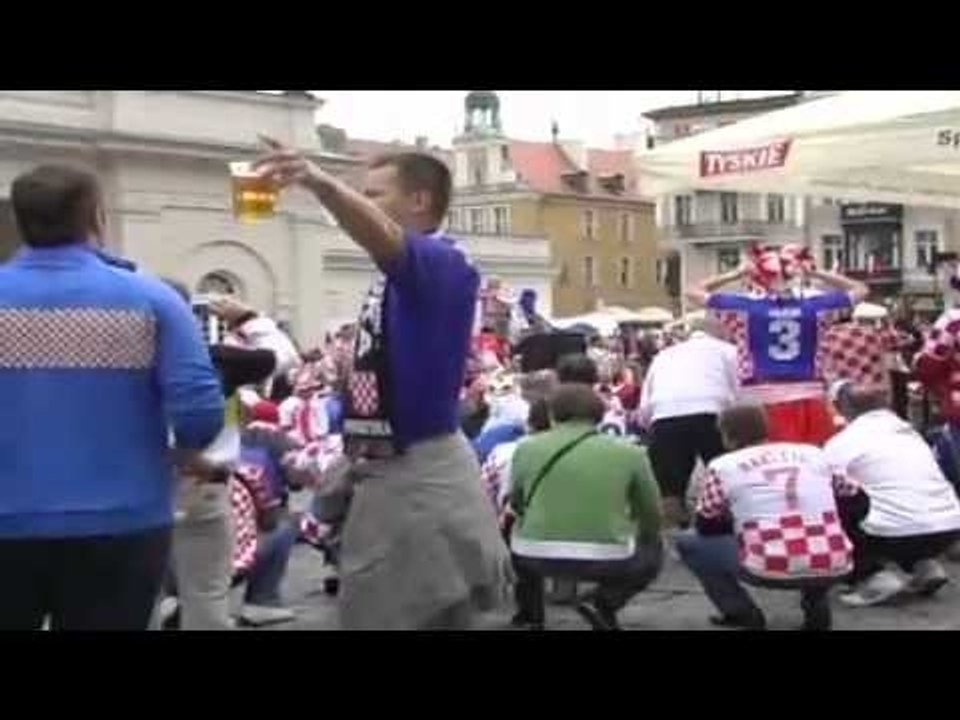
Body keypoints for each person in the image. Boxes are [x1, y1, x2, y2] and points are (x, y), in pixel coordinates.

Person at [255, 139, 510, 630]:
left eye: (376, 195)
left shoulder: (440, 262)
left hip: (418, 471)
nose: (365, 205)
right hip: (396, 465)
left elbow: (383, 238)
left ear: (418, 201)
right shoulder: (402, 276)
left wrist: (321, 183)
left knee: (402, 609)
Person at [0, 164, 225, 630]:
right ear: (96, 219)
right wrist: (184, 451)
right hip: (123, 520)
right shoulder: (152, 299)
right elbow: (199, 408)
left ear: (20, 222)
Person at [158, 288, 299, 631]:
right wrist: (247, 319)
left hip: (138, 486)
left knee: (137, 593)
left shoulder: (116, 361)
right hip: (202, 485)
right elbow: (283, 355)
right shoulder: (216, 359)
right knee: (206, 593)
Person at [676, 405, 864, 631]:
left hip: (766, 566)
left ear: (726, 435)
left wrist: (741, 521)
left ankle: (742, 613)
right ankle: (816, 605)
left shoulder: (723, 466)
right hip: (835, 561)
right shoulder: (813, 453)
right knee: (814, 535)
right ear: (767, 428)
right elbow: (857, 498)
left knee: (689, 541)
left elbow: (706, 525)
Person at [509, 384, 663, 630]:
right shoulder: (631, 453)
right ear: (599, 414)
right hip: (609, 558)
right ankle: (606, 602)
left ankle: (530, 615)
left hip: (534, 555)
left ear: (552, 414)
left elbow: (515, 501)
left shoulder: (526, 448)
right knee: (653, 547)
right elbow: (652, 513)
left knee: (514, 531)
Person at [687, 243, 868, 446]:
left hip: (761, 398)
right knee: (814, 461)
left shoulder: (744, 309)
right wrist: (817, 273)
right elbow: (860, 289)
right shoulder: (815, 308)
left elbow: (693, 291)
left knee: (771, 463)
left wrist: (735, 274)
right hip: (809, 395)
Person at [825, 382, 960, 606]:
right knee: (899, 495)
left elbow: (823, 484)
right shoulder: (910, 434)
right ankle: (924, 565)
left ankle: (870, 577)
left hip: (895, 535)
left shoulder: (842, 442)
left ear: (840, 407)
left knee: (832, 500)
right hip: (949, 528)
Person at [639, 317, 739, 527]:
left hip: (665, 414)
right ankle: (725, 528)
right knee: (727, 477)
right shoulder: (728, 350)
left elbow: (645, 407)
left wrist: (651, 428)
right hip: (712, 410)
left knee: (669, 489)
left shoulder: (663, 356)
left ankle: (672, 535)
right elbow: (740, 391)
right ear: (720, 333)